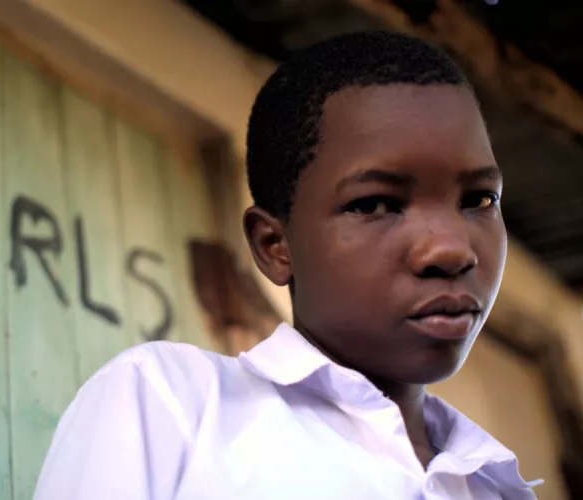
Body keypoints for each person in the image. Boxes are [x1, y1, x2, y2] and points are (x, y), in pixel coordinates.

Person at [33, 31, 541, 499]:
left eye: (478, 198)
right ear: (275, 245)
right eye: (374, 204)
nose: (450, 250)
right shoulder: (174, 405)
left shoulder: (493, 485)